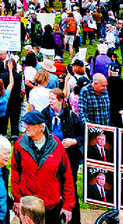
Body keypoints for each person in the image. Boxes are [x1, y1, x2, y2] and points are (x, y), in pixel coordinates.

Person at [10, 110, 75, 224]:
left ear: (40, 127)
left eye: (30, 124)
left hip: (51, 207)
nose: (26, 127)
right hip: (28, 208)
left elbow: (67, 176)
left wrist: (67, 206)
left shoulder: (56, 145)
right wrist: (17, 199)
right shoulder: (20, 143)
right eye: (25, 124)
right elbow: (15, 172)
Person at [43, 89, 84, 224]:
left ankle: (73, 219)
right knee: (52, 188)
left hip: (69, 158)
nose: (50, 101)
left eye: (53, 99)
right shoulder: (44, 114)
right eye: (49, 98)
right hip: (49, 159)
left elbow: (84, 135)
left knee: (69, 188)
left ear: (61, 100)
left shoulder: (71, 116)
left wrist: (74, 141)